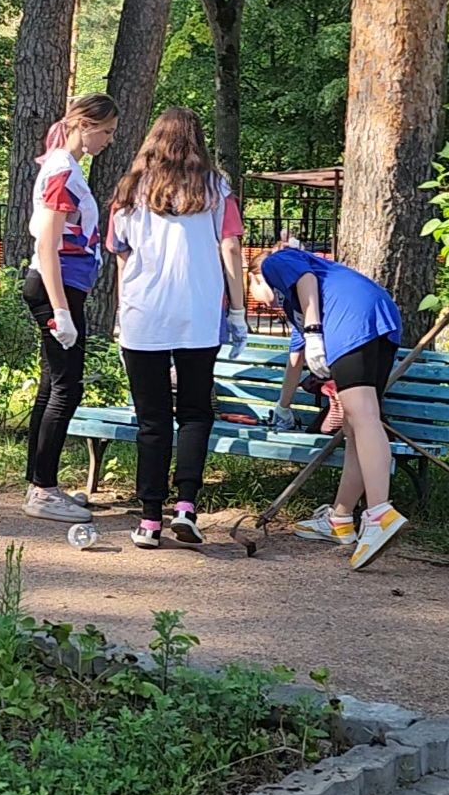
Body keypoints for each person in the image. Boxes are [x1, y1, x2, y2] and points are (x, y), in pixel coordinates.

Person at [106, 108, 249, 548]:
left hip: (143, 314)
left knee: (151, 420)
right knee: (194, 412)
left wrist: (118, 311)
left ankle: (149, 519)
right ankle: (186, 505)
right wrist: (238, 310)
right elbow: (230, 248)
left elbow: (120, 254)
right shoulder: (215, 188)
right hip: (198, 315)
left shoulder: (129, 190)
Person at [248, 245, 407, 569]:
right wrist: (283, 406)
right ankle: (341, 517)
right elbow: (296, 360)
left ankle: (378, 513)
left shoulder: (276, 262)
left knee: (363, 416)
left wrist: (314, 330)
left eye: (249, 286)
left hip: (349, 318)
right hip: (377, 317)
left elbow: (305, 276)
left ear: (254, 277)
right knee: (355, 425)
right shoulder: (299, 307)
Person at [21, 92, 119, 522]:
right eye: (107, 131)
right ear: (85, 124)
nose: (110, 140)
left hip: (59, 285)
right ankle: (43, 491)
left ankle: (40, 483)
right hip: (56, 286)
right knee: (66, 386)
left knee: (53, 384)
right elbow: (47, 242)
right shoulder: (62, 170)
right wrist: (61, 310)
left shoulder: (63, 167)